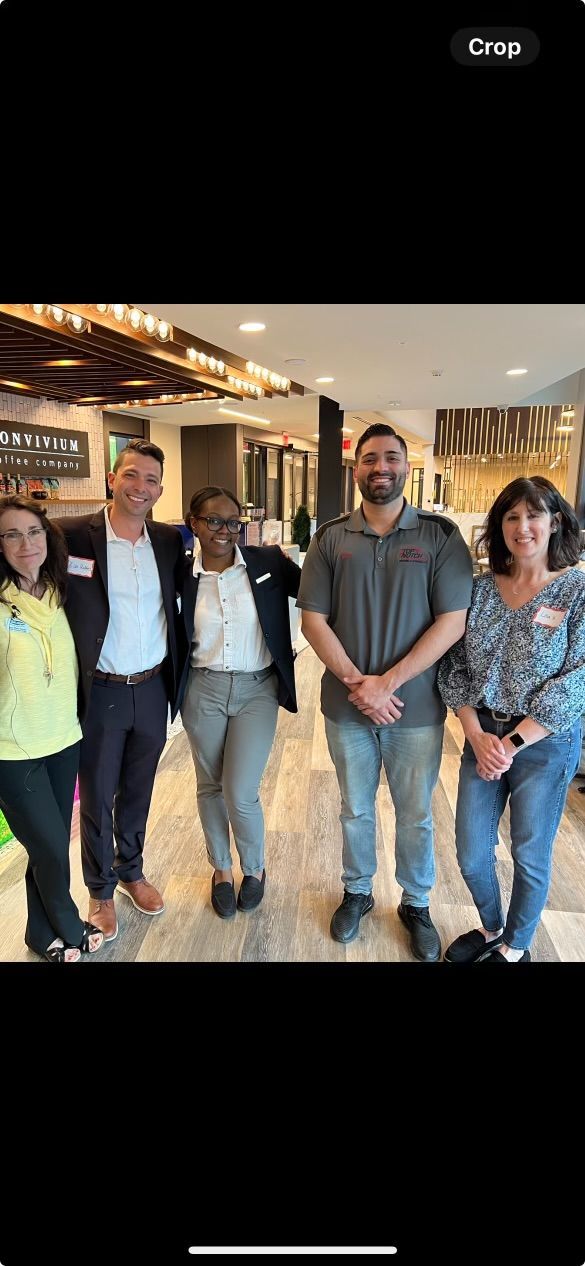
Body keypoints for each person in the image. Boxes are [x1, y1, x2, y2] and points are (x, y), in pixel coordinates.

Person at [297, 423, 473, 959]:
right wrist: (360, 685)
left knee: (415, 813)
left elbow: (452, 621)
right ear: (357, 470)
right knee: (355, 808)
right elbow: (312, 620)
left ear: (406, 466)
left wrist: (387, 685)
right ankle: (357, 891)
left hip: (415, 710)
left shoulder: (440, 537)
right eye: (370, 458)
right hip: (346, 707)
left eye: (391, 457)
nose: (381, 467)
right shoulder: (331, 537)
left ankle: (416, 902)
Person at [438, 476, 585, 963]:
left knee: (529, 851)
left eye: (534, 515)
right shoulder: (479, 590)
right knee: (470, 851)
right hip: (482, 733)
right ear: (499, 527)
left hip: (545, 744)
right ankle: (491, 925)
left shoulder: (577, 590)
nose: (523, 527)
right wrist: (476, 733)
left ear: (555, 522)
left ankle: (517, 945)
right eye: (512, 517)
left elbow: (578, 678)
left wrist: (511, 744)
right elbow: (454, 666)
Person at [55, 440, 187, 942]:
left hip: (152, 688)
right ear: (112, 479)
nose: (140, 487)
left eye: (151, 480)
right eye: (131, 475)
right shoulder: (71, 535)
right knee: (96, 795)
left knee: (138, 788)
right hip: (101, 692)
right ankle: (100, 891)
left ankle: (131, 871)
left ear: (160, 490)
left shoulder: (168, 540)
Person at [178, 486, 301, 918]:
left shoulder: (266, 563)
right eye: (213, 520)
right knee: (210, 785)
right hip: (203, 689)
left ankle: (254, 868)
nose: (224, 530)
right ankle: (221, 869)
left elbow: (319, 593)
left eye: (233, 522)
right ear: (193, 523)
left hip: (257, 690)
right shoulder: (180, 573)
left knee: (240, 790)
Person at [0, 495, 103, 962]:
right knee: (49, 845)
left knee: (49, 844)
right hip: (12, 750)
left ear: (48, 537)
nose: (26, 544)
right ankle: (69, 924)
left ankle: (39, 934)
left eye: (34, 532)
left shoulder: (62, 592)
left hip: (63, 738)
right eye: (12, 534)